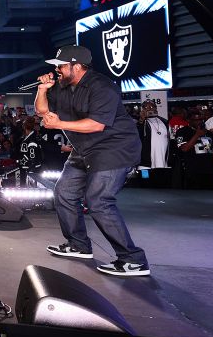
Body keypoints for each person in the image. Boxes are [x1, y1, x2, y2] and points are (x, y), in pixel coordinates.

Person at [35, 45, 149, 277]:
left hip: (114, 149)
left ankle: (133, 260)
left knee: (98, 201)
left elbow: (96, 124)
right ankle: (78, 244)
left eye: (61, 66)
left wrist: (59, 125)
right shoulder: (62, 86)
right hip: (84, 149)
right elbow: (41, 111)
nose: (57, 70)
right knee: (64, 193)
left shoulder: (102, 87)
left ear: (77, 66)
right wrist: (42, 89)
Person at [137, 102, 172, 172]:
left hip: (163, 163)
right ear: (142, 109)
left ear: (156, 108)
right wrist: (141, 120)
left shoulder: (165, 122)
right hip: (144, 165)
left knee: (161, 182)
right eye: (146, 107)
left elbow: (171, 140)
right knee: (145, 180)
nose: (149, 109)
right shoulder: (141, 123)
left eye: (152, 107)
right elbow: (137, 136)